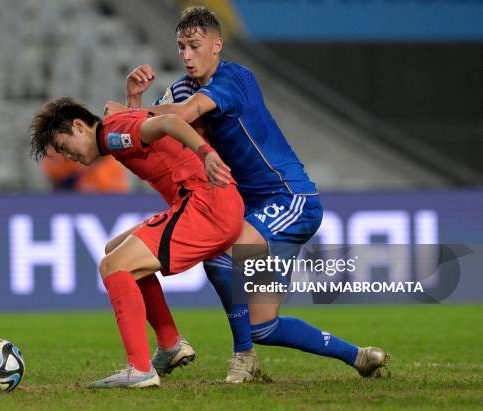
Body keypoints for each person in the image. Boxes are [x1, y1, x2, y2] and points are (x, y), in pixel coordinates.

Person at [114, 5, 389, 383]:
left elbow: (179, 115)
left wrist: (138, 114)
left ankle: (243, 358)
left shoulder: (234, 78)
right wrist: (133, 103)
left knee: (220, 255)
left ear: (217, 44)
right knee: (264, 325)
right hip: (254, 209)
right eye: (181, 47)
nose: (187, 55)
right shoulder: (179, 89)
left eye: (195, 46)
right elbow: (153, 136)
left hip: (290, 200)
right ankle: (358, 356)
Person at [29, 97, 243, 388]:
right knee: (114, 251)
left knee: (113, 266)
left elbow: (169, 122)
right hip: (203, 202)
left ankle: (139, 369)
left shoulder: (112, 136)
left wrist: (205, 153)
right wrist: (133, 102)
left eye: (65, 147)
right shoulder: (113, 133)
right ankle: (170, 343)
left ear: (79, 126)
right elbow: (146, 129)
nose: (69, 158)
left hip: (207, 205)